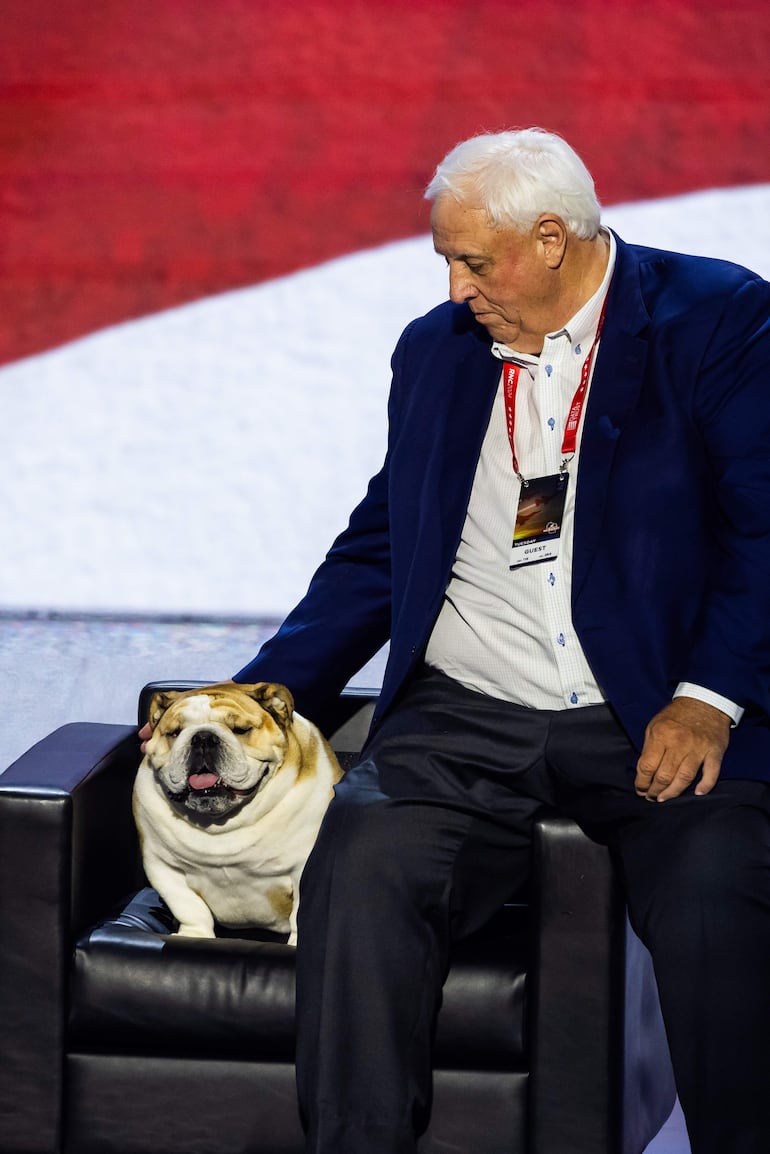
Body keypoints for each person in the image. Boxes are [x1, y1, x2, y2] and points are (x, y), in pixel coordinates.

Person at [155, 129, 770, 1152]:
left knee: (716, 898)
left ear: (552, 239)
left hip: (650, 706)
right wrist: (261, 695)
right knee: (359, 862)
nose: (453, 287)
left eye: (472, 261)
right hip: (463, 719)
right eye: (443, 258)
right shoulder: (434, 351)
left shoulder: (716, 318)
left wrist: (707, 695)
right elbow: (381, 542)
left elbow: (761, 527)